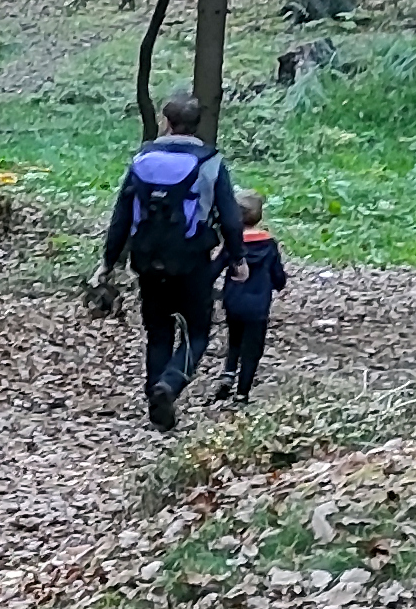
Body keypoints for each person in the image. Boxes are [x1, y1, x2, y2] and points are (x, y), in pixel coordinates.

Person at [90, 95, 241, 432]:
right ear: (196, 125)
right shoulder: (211, 162)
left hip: (147, 261)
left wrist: (108, 261)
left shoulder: (142, 159)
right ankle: (170, 385)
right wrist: (238, 259)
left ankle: (155, 398)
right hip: (193, 263)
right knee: (197, 332)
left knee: (158, 335)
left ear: (167, 122)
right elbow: (230, 219)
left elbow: (121, 217)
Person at [219, 199, 288, 401]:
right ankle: (242, 392)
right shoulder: (269, 245)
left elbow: (215, 268)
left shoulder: (233, 244)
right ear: (259, 217)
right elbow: (278, 276)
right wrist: (278, 283)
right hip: (258, 304)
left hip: (233, 300)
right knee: (253, 348)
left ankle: (228, 374)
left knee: (234, 339)